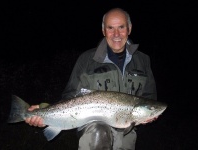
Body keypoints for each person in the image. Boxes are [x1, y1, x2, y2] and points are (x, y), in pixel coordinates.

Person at [25, 7, 157, 150]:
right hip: (92, 130)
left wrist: (151, 113)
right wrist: (45, 110)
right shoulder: (86, 59)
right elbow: (70, 95)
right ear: (103, 31)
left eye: (121, 27)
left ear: (129, 28)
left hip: (128, 131)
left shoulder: (143, 60)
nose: (116, 34)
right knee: (98, 132)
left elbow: (149, 98)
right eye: (110, 28)